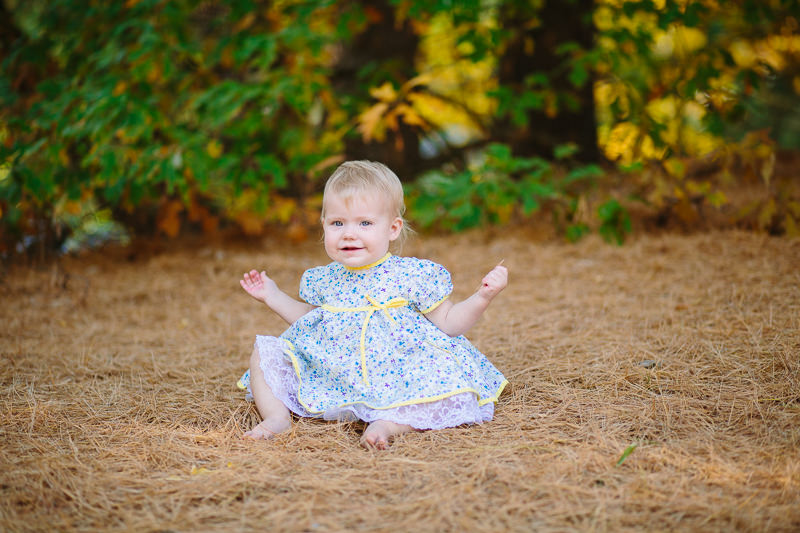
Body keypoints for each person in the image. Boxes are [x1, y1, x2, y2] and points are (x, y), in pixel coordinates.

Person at [237, 160, 508, 449]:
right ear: (324, 226)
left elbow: (450, 323)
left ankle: (387, 424)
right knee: (266, 354)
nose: (349, 233)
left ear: (392, 229)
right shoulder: (326, 279)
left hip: (399, 375)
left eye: (365, 223)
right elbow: (309, 323)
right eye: (337, 223)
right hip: (336, 375)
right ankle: (277, 419)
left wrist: (482, 297)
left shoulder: (410, 275)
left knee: (446, 383)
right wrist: (273, 295)